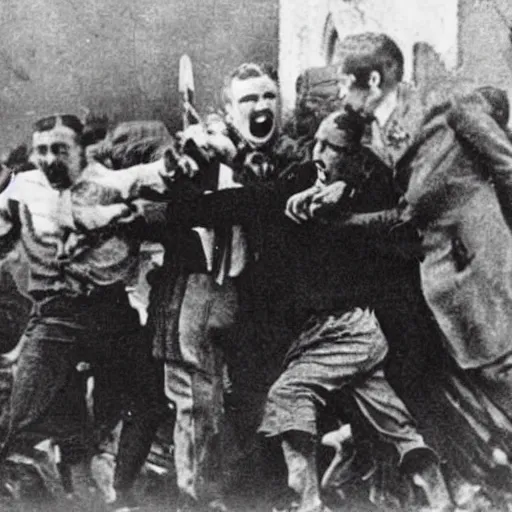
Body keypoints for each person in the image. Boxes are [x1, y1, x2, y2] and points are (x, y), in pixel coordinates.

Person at [0, 114, 177, 511]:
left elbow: (159, 182)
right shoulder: (20, 191)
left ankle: (122, 493)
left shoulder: (112, 184)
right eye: (41, 150)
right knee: (21, 417)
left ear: (82, 152)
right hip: (55, 318)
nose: (49, 159)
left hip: (110, 314)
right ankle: (80, 501)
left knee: (149, 400)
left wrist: (132, 213)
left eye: (59, 149)